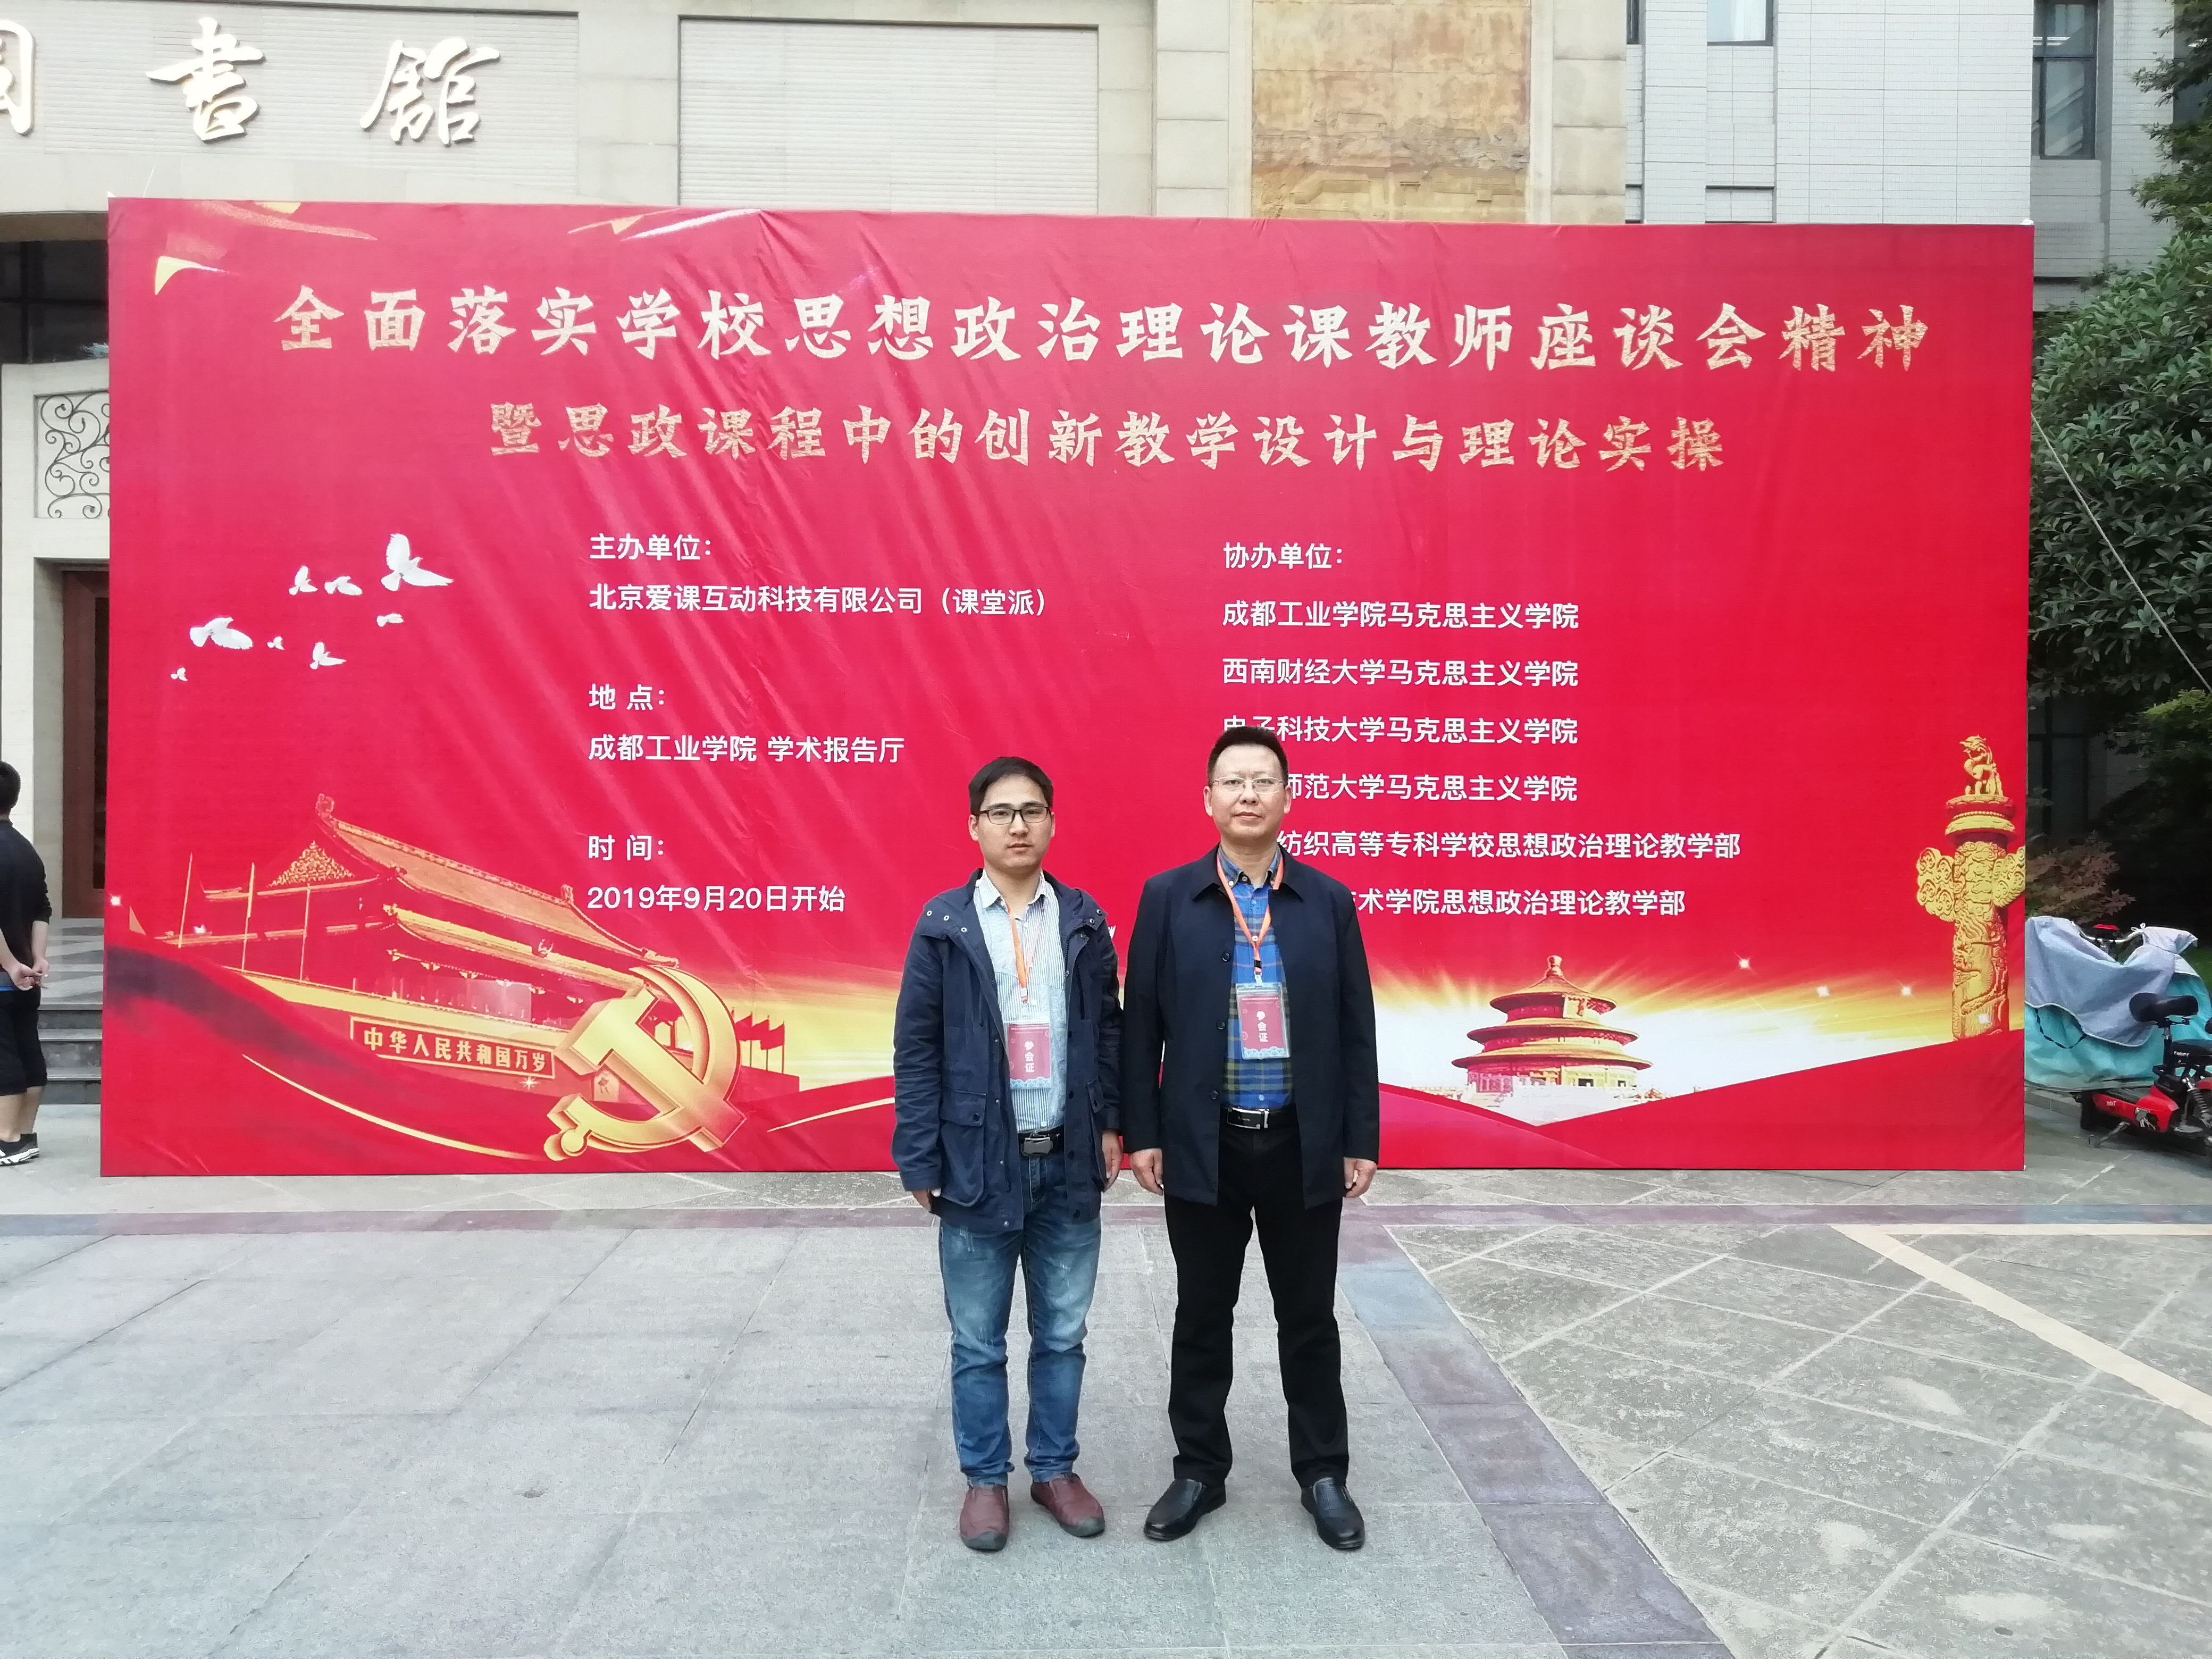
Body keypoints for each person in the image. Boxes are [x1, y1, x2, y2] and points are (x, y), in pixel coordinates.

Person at [1121, 725, 1380, 1550]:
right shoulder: (1169, 898)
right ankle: (1199, 1469)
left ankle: (1324, 1474)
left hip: (1304, 1143)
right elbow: (1141, 1026)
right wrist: (1143, 1132)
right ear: (1208, 800)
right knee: (1203, 1313)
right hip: (1206, 1144)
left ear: (1287, 798)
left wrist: (1360, 1136)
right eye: (1232, 781)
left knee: (1309, 1317)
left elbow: (1355, 1028)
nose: (1247, 795)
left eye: (1263, 781)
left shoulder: (1327, 901)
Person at [892, 756, 1125, 1552]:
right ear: (974, 827)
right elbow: (916, 1050)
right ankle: (985, 1481)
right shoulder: (943, 926)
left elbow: (1110, 1032)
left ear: (1052, 823)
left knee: (1062, 1333)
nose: (1017, 825)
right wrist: (919, 1158)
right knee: (976, 1341)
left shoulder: (1083, 920)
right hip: (976, 1162)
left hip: (1066, 1159)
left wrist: (1112, 1122)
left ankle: (1054, 1470)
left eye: (1031, 811)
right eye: (1001, 813)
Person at [0, 762, 51, 1168]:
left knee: (3, 1052)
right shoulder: (26, 850)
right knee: (26, 1045)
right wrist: (36, 960)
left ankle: (6, 1139)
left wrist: (10, 964)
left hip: (5, 975)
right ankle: (25, 1134)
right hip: (25, 978)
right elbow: (41, 910)